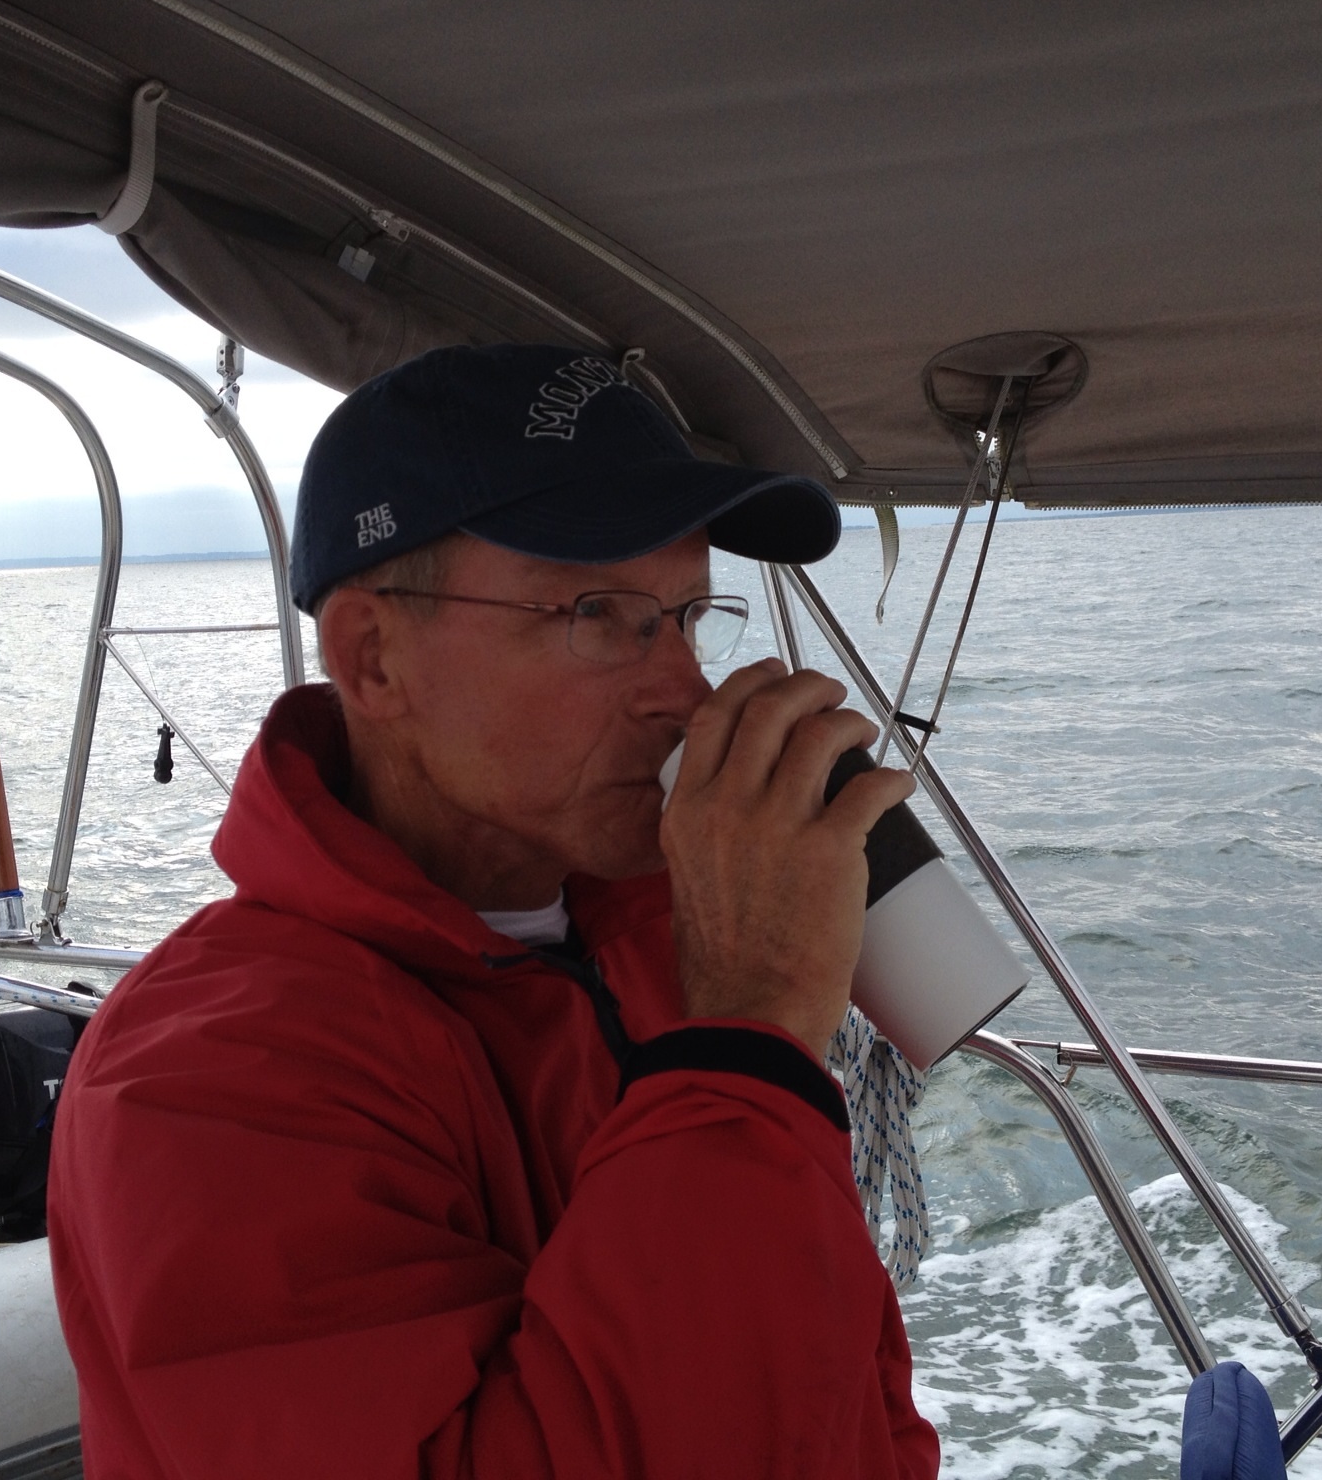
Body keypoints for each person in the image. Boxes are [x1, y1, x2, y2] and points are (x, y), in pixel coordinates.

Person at [48, 344, 940, 1478]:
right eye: (601, 613)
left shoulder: (674, 942)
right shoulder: (206, 1078)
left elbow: (848, 1392)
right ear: (373, 660)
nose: (685, 691)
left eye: (686, 616)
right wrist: (749, 1037)